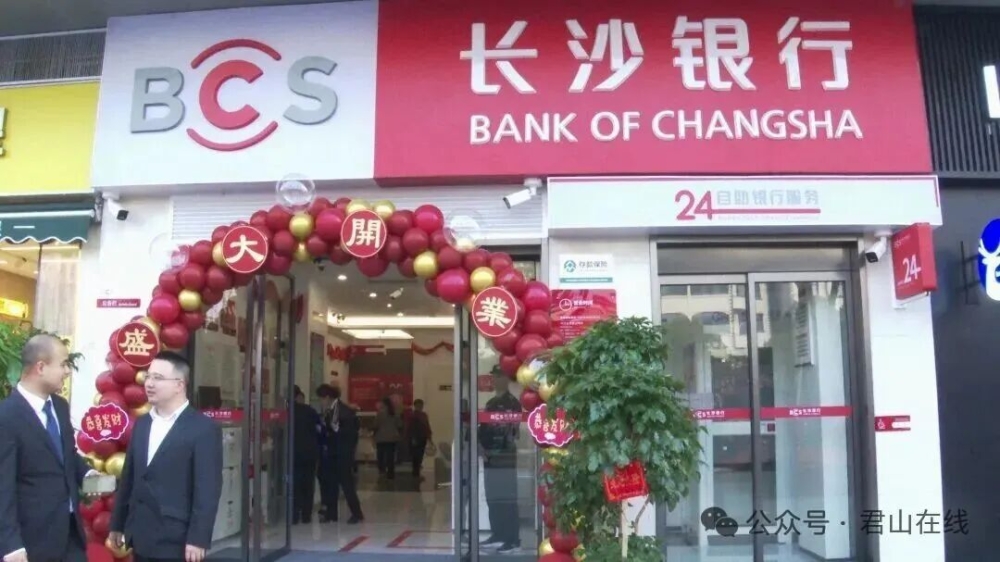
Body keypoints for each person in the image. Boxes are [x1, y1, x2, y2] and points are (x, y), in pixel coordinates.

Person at [109, 351, 223, 562]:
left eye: (158, 378)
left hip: (176, 539)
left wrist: (198, 538)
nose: (149, 383)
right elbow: (129, 478)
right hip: (140, 534)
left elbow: (207, 489)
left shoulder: (203, 428)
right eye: (148, 377)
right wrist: (117, 523)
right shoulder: (142, 424)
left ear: (179, 385)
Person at [0, 334, 97, 562]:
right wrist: (11, 545)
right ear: (40, 367)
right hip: (31, 541)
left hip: (70, 536)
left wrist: (87, 474)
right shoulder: (6, 416)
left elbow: (66, 455)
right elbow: (3, 486)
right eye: (63, 364)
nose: (68, 371)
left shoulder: (60, 407)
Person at [478, 366, 522, 553]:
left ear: (506, 379)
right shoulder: (491, 402)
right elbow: (483, 428)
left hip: (504, 457)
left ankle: (512, 539)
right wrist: (481, 447)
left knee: (507, 498)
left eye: (499, 376)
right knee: (493, 497)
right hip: (489, 457)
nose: (496, 380)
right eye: (494, 376)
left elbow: (510, 432)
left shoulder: (512, 403)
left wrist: (493, 451)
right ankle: (498, 533)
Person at [317, 384, 363, 523]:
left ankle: (356, 513)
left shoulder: (343, 412)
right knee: (331, 482)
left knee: (346, 483)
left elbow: (348, 434)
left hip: (342, 453)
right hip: (333, 452)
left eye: (321, 398)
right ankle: (332, 513)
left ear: (327, 397)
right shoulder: (332, 410)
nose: (320, 402)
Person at [291, 385, 321, 524]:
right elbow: (319, 429)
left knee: (294, 484)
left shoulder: (287, 412)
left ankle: (294, 514)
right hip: (309, 452)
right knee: (308, 484)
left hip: (293, 453)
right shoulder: (310, 411)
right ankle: (306, 515)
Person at [373, 397, 402, 480]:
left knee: (380, 455)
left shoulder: (380, 413)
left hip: (381, 438)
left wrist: (373, 434)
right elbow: (400, 425)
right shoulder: (395, 413)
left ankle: (382, 471)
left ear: (384, 404)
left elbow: (376, 425)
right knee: (390, 456)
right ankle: (390, 473)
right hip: (392, 438)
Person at [404, 399, 433, 479]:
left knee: (419, 456)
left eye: (421, 405)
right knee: (416, 456)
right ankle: (415, 473)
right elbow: (410, 428)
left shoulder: (423, 415)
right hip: (416, 438)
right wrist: (411, 438)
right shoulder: (413, 416)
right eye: (419, 405)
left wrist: (429, 438)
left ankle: (416, 473)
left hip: (422, 438)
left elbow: (427, 426)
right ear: (415, 406)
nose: (420, 407)